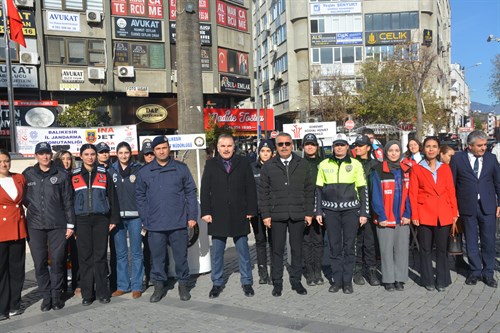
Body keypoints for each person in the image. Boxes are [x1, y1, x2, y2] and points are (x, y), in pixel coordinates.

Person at [136, 136, 198, 302]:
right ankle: (158, 286)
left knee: (181, 257)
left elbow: (191, 192)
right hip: (155, 224)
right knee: (157, 258)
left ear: (169, 148)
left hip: (178, 222)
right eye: (158, 149)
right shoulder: (145, 172)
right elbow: (140, 196)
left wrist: (192, 215)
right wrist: (145, 217)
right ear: (153, 151)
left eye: (164, 147)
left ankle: (183, 285)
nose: (161, 151)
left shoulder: (181, 168)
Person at [201, 134, 257, 298]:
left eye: (229, 146)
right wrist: (206, 212)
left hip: (240, 213)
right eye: (223, 146)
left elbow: (250, 188)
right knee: (217, 252)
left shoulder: (244, 162)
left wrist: (251, 210)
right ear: (218, 148)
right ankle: (216, 283)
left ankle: (247, 282)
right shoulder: (210, 164)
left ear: (234, 147)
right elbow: (205, 190)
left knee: (244, 251)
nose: (226, 149)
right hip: (218, 215)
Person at [259, 133, 314, 297]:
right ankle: (277, 283)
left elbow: (309, 190)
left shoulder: (302, 164)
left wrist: (309, 213)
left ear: (292, 145)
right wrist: (266, 215)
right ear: (276, 146)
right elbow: (264, 193)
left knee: (297, 249)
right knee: (276, 250)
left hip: (298, 213)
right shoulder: (268, 166)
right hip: (276, 215)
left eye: (287, 143)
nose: (284, 146)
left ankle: (296, 281)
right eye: (280, 144)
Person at [23, 142, 75, 311]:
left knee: (58, 262)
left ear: (51, 155)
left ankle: (56, 296)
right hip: (35, 226)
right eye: (41, 153)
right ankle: (46, 297)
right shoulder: (28, 174)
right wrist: (33, 209)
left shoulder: (61, 174)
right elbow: (23, 197)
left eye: (47, 153)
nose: (45, 156)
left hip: (57, 225)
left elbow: (68, 201)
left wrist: (70, 224)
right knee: (39, 263)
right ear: (36, 155)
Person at [316, 133, 369, 294]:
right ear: (333, 147)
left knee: (349, 246)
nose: (339, 147)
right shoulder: (324, 164)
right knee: (334, 246)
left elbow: (362, 188)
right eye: (336, 145)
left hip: (351, 211)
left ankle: (347, 282)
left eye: (342, 144)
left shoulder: (356, 164)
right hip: (330, 211)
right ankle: (336, 281)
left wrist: (364, 212)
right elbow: (318, 190)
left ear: (348, 146)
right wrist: (318, 210)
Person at [450, 130, 500, 288]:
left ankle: (488, 273)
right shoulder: (457, 159)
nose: (483, 148)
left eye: (485, 145)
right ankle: (475, 272)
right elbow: (452, 184)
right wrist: (453, 208)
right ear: (469, 146)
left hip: (488, 206)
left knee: (489, 241)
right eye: (480, 145)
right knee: (470, 241)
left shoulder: (491, 159)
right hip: (467, 206)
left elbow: (498, 182)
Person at [72, 143, 119, 305]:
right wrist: (72, 224)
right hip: (82, 220)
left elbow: (112, 197)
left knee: (99, 257)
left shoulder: (104, 173)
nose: (90, 157)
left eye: (92, 154)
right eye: (86, 154)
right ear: (81, 156)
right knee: (85, 257)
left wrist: (113, 219)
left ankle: (102, 292)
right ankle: (87, 294)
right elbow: (70, 201)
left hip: (101, 219)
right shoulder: (74, 175)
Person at [410, 137, 458, 292]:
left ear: (438, 150)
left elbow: (451, 191)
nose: (431, 149)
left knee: (443, 249)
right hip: (424, 212)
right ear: (423, 149)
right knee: (425, 249)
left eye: (434, 146)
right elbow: (413, 193)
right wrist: (415, 215)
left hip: (443, 212)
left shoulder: (445, 168)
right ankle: (427, 279)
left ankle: (443, 279)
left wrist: (454, 211)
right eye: (428, 146)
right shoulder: (417, 168)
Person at [370, 140, 411, 292]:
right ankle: (388, 279)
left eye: (397, 150)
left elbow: (410, 195)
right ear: (386, 152)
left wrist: (408, 213)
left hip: (402, 217)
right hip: (385, 217)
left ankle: (400, 278)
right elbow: (376, 196)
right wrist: (381, 216)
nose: (394, 153)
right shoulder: (377, 170)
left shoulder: (406, 170)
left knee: (401, 249)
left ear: (400, 152)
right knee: (386, 250)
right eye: (391, 150)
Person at [109, 142, 144, 299]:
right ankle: (123, 285)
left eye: (126, 152)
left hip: (136, 217)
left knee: (136, 252)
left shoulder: (139, 169)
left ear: (131, 153)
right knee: (121, 254)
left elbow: (144, 193)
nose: (124, 155)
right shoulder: (111, 170)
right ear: (116, 154)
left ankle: (137, 286)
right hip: (117, 219)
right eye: (121, 152)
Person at [0, 149, 27, 320]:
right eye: (0, 161)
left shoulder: (19, 178)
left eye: (6, 161)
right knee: (1, 271)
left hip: (18, 228)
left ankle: (14, 304)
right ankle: (2, 307)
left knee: (17, 270)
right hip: (1, 231)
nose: (4, 164)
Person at [352, 135, 381, 287]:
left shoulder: (376, 164)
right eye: (356, 145)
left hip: (370, 208)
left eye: (361, 145)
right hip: (354, 207)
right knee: (357, 240)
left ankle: (371, 270)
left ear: (368, 148)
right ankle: (357, 270)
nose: (357, 147)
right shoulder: (350, 163)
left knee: (370, 242)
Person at [53, 150, 79, 296]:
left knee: (76, 252)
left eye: (69, 159)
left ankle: (77, 283)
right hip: (60, 220)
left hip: (75, 219)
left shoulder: (75, 175)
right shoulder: (55, 176)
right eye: (63, 159)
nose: (67, 161)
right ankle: (61, 285)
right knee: (60, 254)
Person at [301, 133, 325, 286]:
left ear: (317, 147)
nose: (310, 147)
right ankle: (309, 271)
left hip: (320, 207)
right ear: (303, 146)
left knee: (319, 240)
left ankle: (318, 270)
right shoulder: (299, 163)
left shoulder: (323, 163)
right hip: (304, 207)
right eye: (307, 144)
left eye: (312, 144)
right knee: (306, 241)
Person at [251, 139, 275, 285]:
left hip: (273, 213)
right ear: (258, 153)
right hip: (257, 212)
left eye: (268, 151)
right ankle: (262, 273)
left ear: (272, 153)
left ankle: (274, 272)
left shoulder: (276, 167)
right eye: (262, 151)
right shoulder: (252, 168)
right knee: (260, 242)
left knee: (274, 243)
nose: (265, 154)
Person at [139, 140, 154, 289]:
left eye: (151, 153)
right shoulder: (140, 171)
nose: (149, 156)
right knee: (147, 247)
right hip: (146, 216)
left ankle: (162, 275)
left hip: (160, 215)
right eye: (147, 154)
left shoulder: (161, 168)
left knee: (161, 247)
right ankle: (148, 275)